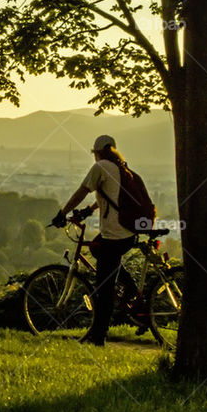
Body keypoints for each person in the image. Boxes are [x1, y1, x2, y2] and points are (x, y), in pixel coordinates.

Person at [51, 134, 138, 346]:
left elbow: (82, 191)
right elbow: (110, 197)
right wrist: (89, 210)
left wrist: (63, 212)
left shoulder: (100, 167)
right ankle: (129, 286)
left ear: (97, 153)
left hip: (114, 235)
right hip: (127, 233)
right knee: (98, 250)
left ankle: (98, 337)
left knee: (103, 289)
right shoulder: (120, 167)